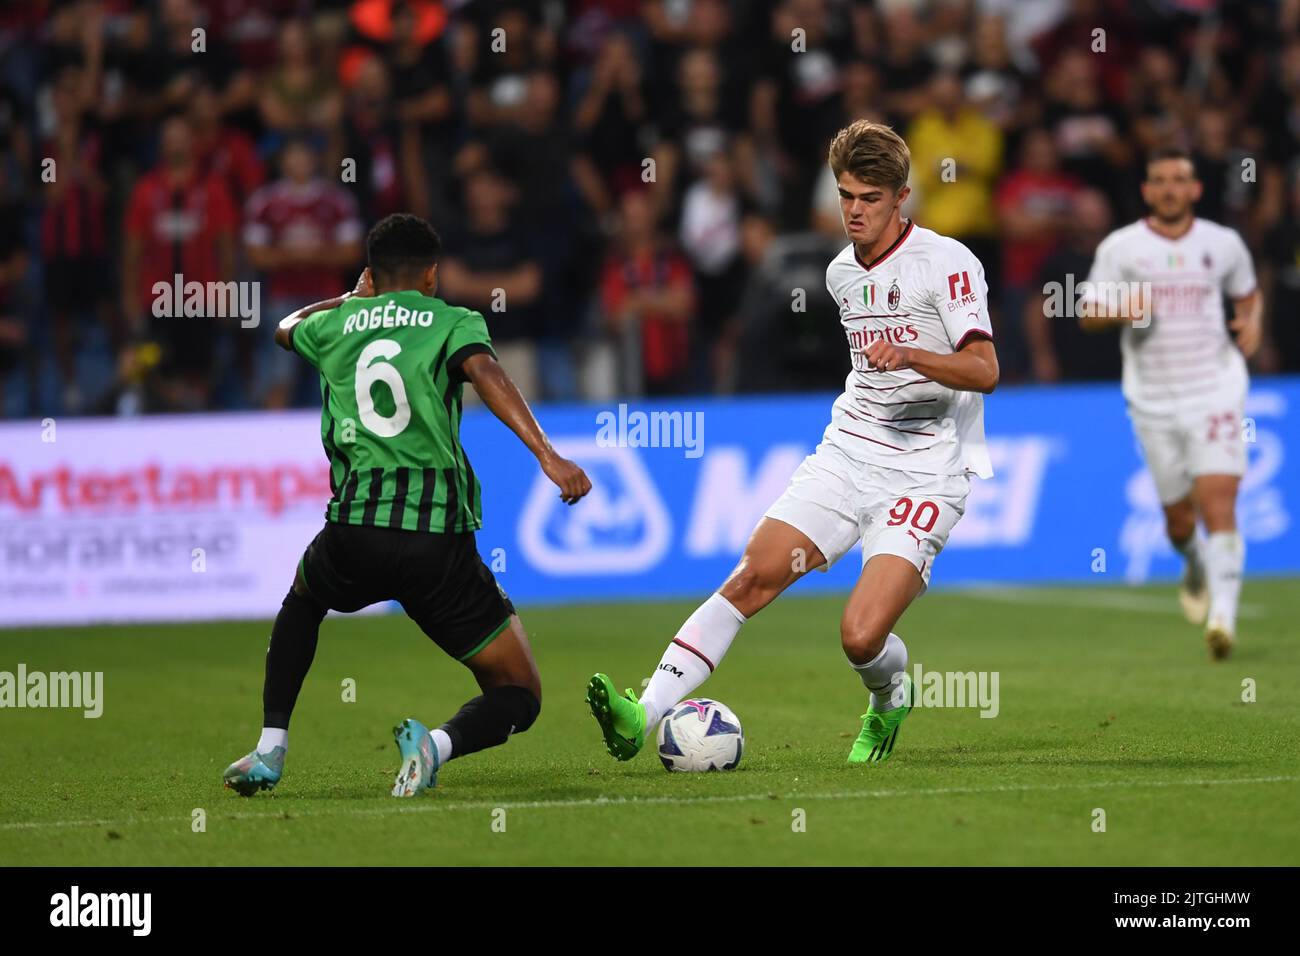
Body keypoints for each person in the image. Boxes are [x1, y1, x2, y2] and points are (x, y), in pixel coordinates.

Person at [587, 120, 999, 765]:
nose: (854, 210)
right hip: (847, 453)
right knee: (753, 576)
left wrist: (912, 355)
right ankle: (642, 712)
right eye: (845, 195)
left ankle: (890, 697)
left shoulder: (947, 263)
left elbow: (985, 371)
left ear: (901, 197)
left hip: (924, 472)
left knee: (861, 637)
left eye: (869, 197)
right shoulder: (840, 274)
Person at [222, 213, 591, 797]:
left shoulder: (336, 324)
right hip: (434, 538)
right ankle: (437, 745)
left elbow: (284, 327)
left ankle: (270, 748)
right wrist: (547, 454)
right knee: (519, 692)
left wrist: (349, 297)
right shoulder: (452, 320)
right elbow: (486, 371)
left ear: (371, 273)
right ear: (431, 276)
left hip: (353, 530)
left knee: (303, 601)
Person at [1079, 147, 1261, 660]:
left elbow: (1247, 294)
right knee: (1179, 521)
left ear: (1196, 189)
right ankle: (1195, 563)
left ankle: (1222, 619)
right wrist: (1125, 306)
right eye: (1159, 180)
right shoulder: (1122, 247)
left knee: (1218, 499)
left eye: (1179, 180)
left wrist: (1254, 319)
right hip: (1152, 397)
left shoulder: (1222, 244)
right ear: (1146, 191)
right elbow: (1087, 312)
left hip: (1215, 388)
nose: (1169, 189)